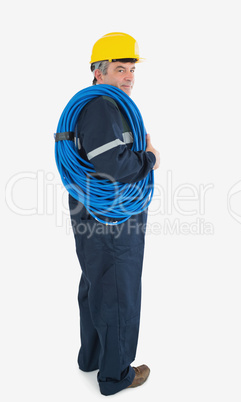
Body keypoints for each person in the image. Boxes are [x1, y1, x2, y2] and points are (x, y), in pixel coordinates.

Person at [68, 32, 160, 396]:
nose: (128, 77)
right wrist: (150, 157)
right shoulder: (102, 107)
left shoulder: (102, 107)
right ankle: (116, 375)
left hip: (92, 207)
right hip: (113, 214)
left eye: (131, 69)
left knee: (97, 282)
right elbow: (113, 165)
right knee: (118, 289)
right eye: (120, 69)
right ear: (98, 73)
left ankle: (92, 358)